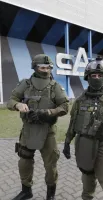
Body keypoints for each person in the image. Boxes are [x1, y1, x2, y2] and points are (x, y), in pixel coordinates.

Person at [63, 56, 103, 200]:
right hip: (83, 146)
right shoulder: (80, 99)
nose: (97, 78)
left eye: (100, 75)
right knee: (87, 183)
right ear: (88, 77)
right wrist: (67, 142)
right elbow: (73, 122)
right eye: (94, 75)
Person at [7, 54, 69, 200]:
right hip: (28, 131)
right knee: (24, 162)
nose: (46, 70)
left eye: (48, 68)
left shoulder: (55, 87)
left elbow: (65, 106)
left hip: (48, 132)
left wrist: (48, 112)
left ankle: (50, 195)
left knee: (50, 165)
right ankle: (26, 190)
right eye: (42, 67)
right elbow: (11, 100)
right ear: (35, 67)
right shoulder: (25, 84)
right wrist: (17, 104)